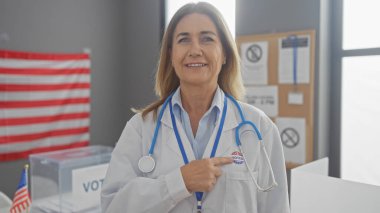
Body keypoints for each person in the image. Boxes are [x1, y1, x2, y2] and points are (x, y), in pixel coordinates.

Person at [101, 2, 290, 213]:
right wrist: (179, 182)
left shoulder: (259, 128)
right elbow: (112, 206)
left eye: (207, 39)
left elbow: (277, 207)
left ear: (225, 53)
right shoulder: (141, 128)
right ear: (171, 55)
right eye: (184, 40)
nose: (195, 50)